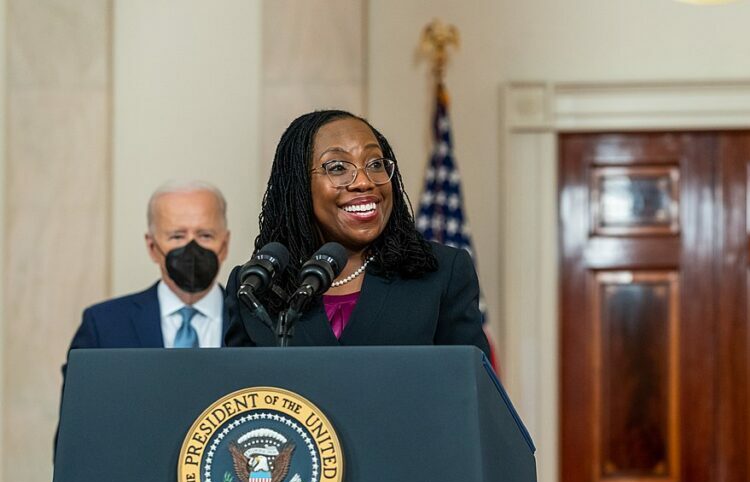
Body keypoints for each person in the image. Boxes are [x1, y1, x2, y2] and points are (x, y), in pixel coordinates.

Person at [224, 110, 489, 355]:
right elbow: (237, 398)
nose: (364, 181)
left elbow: (472, 391)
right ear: (298, 185)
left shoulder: (441, 274)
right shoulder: (256, 286)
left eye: (375, 164)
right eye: (338, 167)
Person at [67, 181, 231, 350]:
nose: (192, 247)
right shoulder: (103, 325)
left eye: (205, 235)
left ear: (224, 245)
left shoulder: (254, 323)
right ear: (152, 247)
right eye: (177, 236)